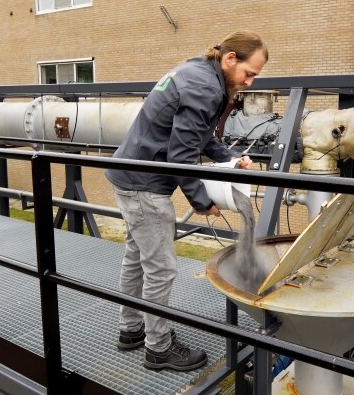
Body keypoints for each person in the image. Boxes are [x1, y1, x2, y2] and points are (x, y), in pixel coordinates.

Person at [106, 31, 268, 371]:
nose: (249, 82)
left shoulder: (199, 71)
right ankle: (159, 349)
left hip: (131, 173)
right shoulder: (205, 87)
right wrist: (200, 200)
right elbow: (181, 155)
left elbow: (200, 135)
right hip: (145, 185)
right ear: (230, 59)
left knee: (137, 258)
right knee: (161, 269)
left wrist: (229, 157)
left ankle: (131, 329)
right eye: (248, 73)